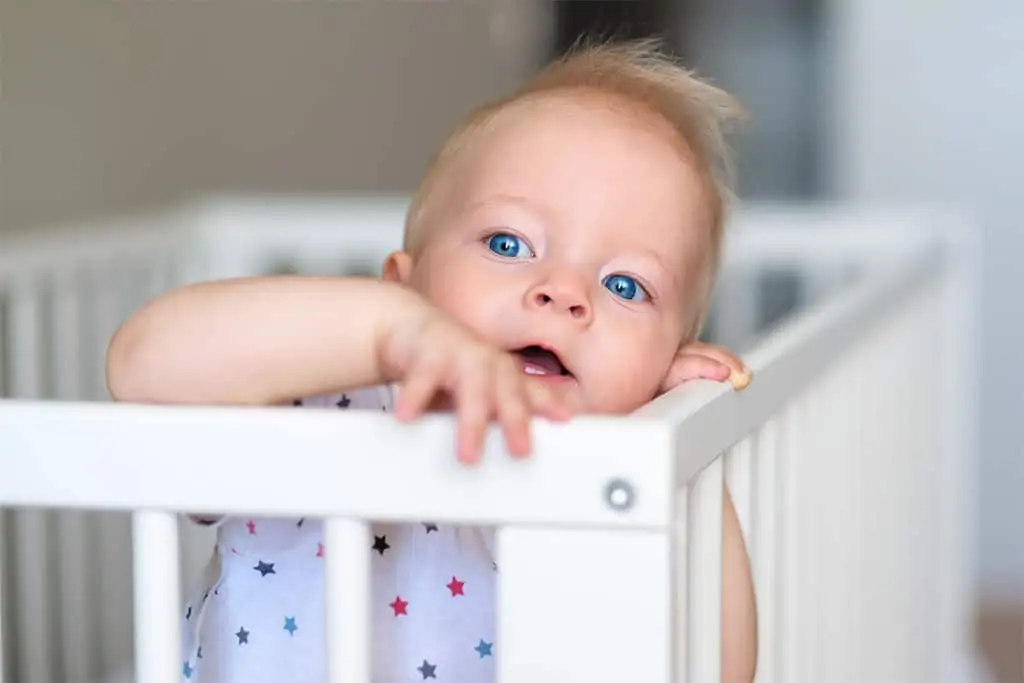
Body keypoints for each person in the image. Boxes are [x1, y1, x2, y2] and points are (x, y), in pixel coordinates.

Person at [107, 38, 757, 683]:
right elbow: (142, 367)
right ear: (404, 287)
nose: (564, 293)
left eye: (626, 286)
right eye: (509, 242)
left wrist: (685, 437)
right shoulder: (330, 401)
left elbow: (720, 666)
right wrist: (385, 334)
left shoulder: (611, 481)